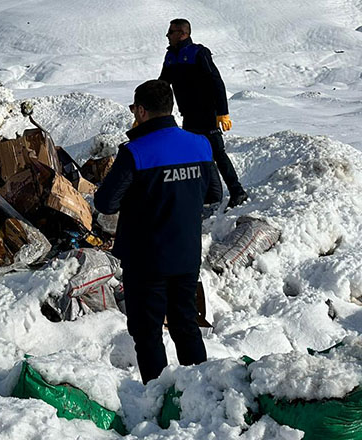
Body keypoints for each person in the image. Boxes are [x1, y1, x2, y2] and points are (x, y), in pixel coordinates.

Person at [94, 80, 222, 384]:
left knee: (148, 333)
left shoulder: (136, 152)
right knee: (185, 326)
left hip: (146, 259)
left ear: (140, 110)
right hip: (186, 255)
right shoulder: (200, 144)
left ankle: (156, 396)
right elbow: (214, 193)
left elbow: (106, 203)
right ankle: (200, 392)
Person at [159, 18, 248, 209]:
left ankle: (237, 192)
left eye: (171, 32)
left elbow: (216, 82)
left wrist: (222, 113)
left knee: (217, 153)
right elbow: (162, 86)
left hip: (207, 114)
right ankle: (206, 194)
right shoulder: (170, 57)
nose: (167, 36)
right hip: (189, 116)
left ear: (183, 34)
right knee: (193, 155)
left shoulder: (198, 53)